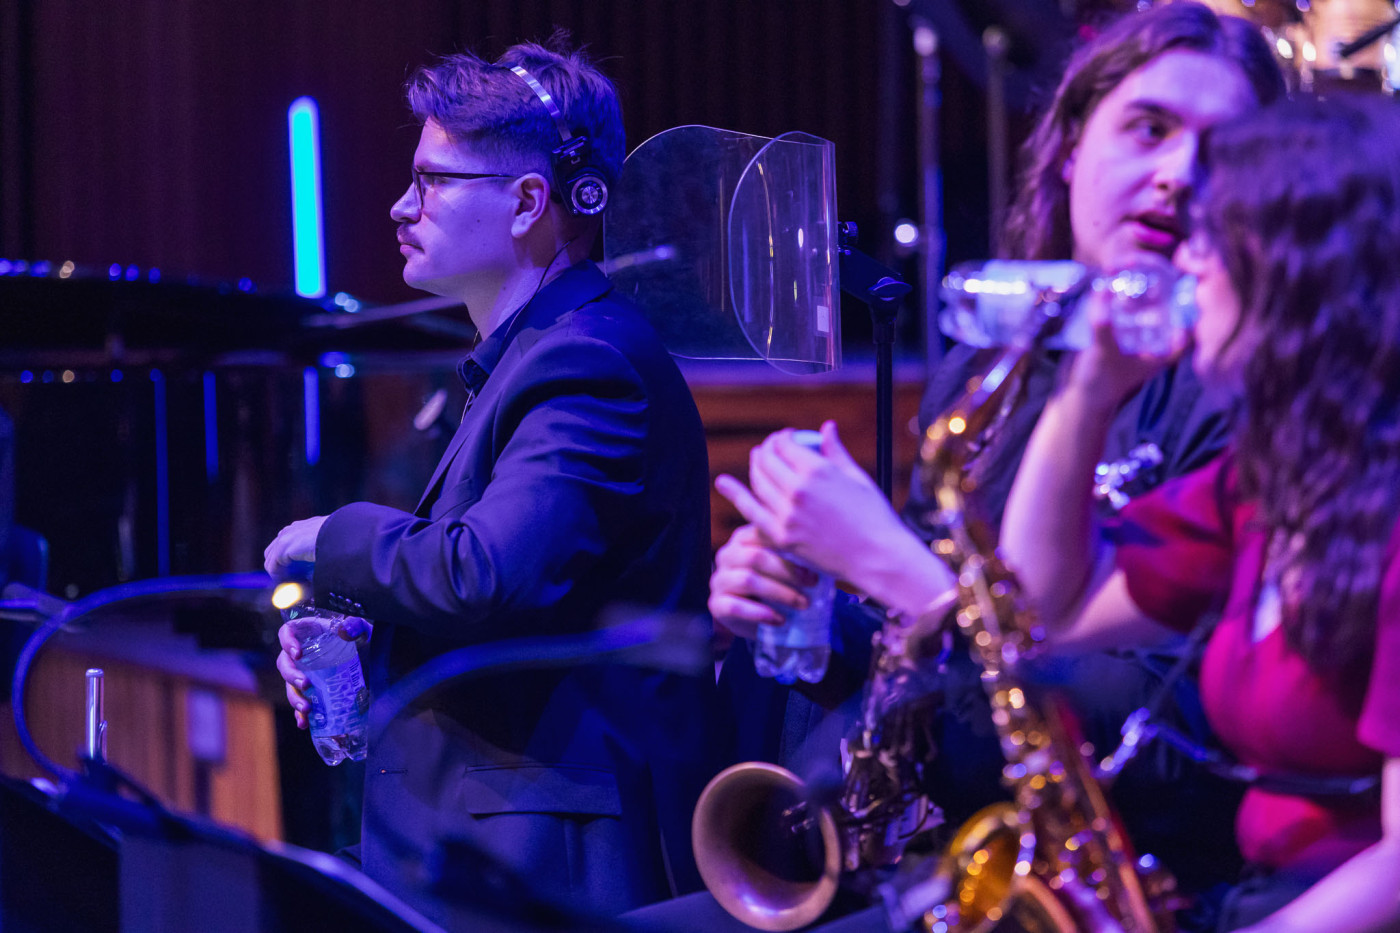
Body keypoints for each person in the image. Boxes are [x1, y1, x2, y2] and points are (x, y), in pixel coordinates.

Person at [708, 2, 1285, 917]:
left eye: (1222, 150)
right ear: (1070, 144)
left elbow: (1176, 750)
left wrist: (900, 575)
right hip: (968, 854)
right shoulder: (986, 373)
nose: (1180, 174)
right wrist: (816, 611)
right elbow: (924, 674)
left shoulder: (1252, 397)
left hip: (1132, 884)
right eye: (1149, 128)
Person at [262, 37, 716, 926]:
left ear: (528, 203)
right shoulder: (535, 355)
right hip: (493, 841)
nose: (400, 206)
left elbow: (485, 572)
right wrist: (371, 646)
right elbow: (531, 609)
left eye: (431, 182)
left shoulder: (587, 362)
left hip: (549, 861)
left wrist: (331, 536)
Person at [997, 93, 1400, 932]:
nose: (1185, 266)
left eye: (1208, 240)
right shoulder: (1266, 485)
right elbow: (1043, 605)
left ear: (1296, 271)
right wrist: (1088, 392)